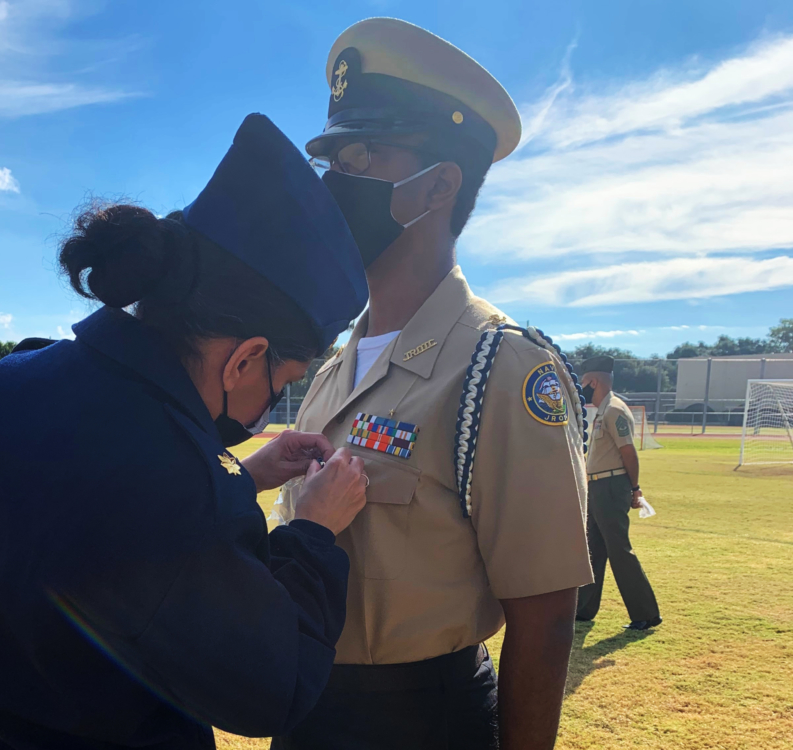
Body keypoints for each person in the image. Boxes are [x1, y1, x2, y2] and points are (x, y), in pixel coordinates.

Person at [0, 114, 373, 750]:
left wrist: (241, 477)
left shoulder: (15, 380)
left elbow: (94, 512)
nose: (273, 402)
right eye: (284, 378)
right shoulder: (175, 487)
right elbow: (275, 684)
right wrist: (312, 531)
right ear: (246, 357)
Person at [271, 18, 594, 750]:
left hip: (421, 721)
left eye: (359, 154)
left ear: (438, 186)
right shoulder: (334, 364)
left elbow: (544, 615)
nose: (332, 182)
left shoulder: (501, 365)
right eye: (330, 157)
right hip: (306, 710)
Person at [575, 355, 662, 630]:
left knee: (619, 550)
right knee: (594, 550)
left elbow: (628, 453)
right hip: (599, 486)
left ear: (593, 381)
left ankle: (646, 613)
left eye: (584, 383)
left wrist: (635, 489)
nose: (582, 388)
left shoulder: (614, 410)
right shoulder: (603, 410)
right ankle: (583, 609)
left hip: (612, 487)